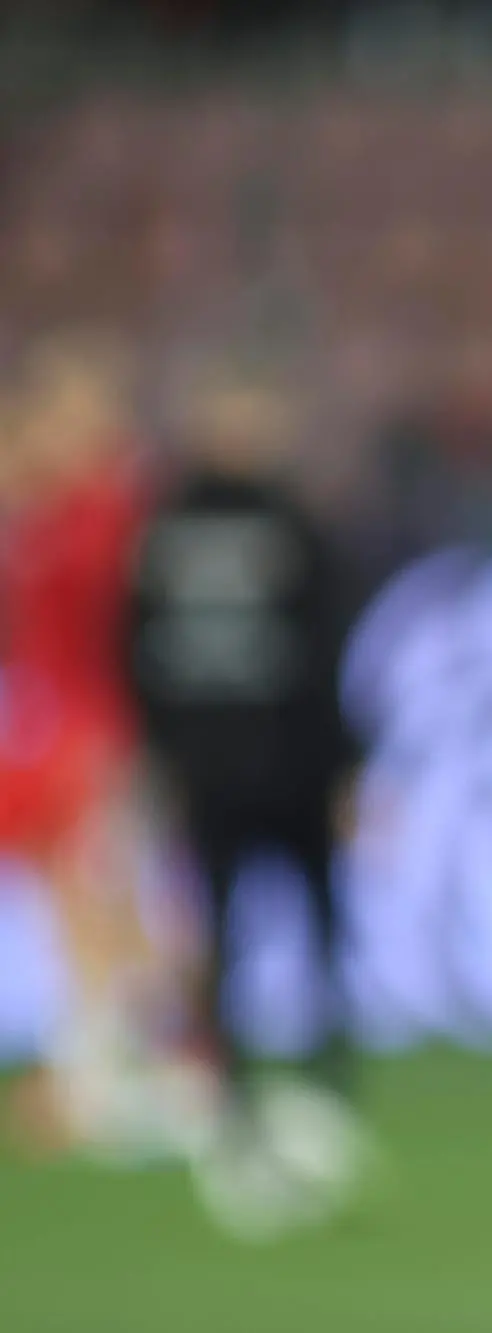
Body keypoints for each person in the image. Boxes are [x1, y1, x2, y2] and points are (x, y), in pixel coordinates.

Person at [123, 364, 364, 1227]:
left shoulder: (170, 526)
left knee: (293, 921)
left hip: (261, 765)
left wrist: (342, 769)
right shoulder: (279, 521)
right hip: (243, 766)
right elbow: (326, 645)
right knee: (245, 925)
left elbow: (142, 649)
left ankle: (319, 1068)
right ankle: (241, 1075)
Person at [0, 336, 170, 1162]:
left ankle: (113, 1072)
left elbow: (120, 636)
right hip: (46, 723)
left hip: (98, 725)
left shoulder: (108, 512)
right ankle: (105, 1068)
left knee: (101, 896)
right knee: (79, 900)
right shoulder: (47, 510)